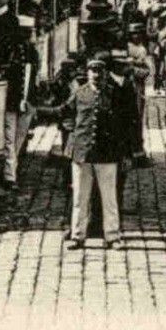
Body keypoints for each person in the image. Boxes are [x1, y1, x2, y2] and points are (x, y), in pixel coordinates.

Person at [65, 53, 124, 250]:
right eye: (92, 71)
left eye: (99, 71)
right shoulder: (80, 93)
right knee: (80, 197)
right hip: (82, 154)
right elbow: (67, 115)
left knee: (109, 198)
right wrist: (74, 137)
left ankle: (112, 236)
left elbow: (122, 124)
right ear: (87, 73)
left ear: (105, 73)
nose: (96, 75)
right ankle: (78, 235)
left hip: (107, 153)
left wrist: (122, 151)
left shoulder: (114, 94)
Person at [0, 0, 37, 187]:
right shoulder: (17, 53)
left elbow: (29, 76)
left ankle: (11, 173)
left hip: (19, 99)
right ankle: (9, 175)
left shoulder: (27, 53)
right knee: (10, 139)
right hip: (12, 99)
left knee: (14, 138)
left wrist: (25, 99)